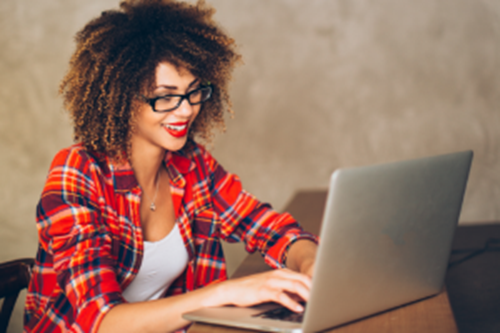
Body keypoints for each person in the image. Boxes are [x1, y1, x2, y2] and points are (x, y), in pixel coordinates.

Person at [24, 0, 318, 332]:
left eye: (193, 92)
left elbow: (268, 227)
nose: (185, 111)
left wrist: (310, 265)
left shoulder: (191, 164)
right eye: (165, 96)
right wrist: (223, 293)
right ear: (121, 99)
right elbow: (103, 322)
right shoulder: (77, 172)